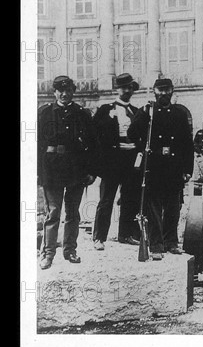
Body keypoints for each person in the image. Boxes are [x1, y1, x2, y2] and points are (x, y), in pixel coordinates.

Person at [127, 78, 194, 260]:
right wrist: (144, 148)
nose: (163, 94)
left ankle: (171, 242)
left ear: (172, 91)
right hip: (154, 167)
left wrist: (188, 169)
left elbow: (188, 144)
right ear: (155, 91)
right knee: (154, 208)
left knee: (173, 206)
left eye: (167, 90)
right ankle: (156, 245)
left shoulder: (179, 114)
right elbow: (131, 133)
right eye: (160, 90)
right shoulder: (148, 111)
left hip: (174, 167)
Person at [38, 76, 97, 269]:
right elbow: (36, 145)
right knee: (53, 212)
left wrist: (90, 171)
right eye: (60, 90)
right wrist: (38, 173)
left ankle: (70, 250)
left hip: (75, 169)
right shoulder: (44, 113)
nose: (64, 94)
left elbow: (92, 144)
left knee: (73, 213)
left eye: (68, 90)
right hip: (52, 170)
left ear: (73, 91)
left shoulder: (82, 114)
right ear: (55, 92)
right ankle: (48, 254)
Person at [91, 73, 141, 251]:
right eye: (123, 87)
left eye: (130, 87)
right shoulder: (106, 110)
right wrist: (98, 163)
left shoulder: (136, 112)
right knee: (106, 199)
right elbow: (95, 137)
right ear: (117, 89)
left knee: (130, 198)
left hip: (131, 160)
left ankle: (125, 234)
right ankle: (99, 237)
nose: (127, 90)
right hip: (112, 161)